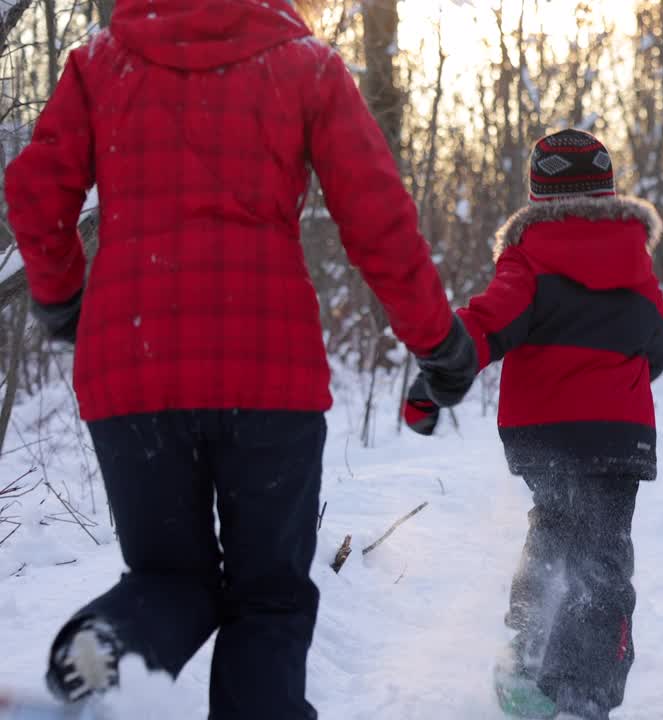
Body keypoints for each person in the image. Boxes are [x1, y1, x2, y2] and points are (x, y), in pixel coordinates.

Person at [4, 0, 476, 716]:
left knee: (169, 579)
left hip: (131, 363)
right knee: (269, 596)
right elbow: (377, 217)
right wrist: (437, 341)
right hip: (268, 374)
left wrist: (65, 300)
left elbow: (37, 193)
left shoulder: (101, 62)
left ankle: (101, 654)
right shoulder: (306, 65)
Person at [408, 129, 663, 720]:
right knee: (604, 554)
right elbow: (661, 343)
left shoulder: (528, 258)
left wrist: (441, 370)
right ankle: (584, 693)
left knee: (552, 530)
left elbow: (487, 322)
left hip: (544, 435)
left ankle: (528, 661)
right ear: (607, 192)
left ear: (538, 194)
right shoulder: (634, 260)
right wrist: (619, 380)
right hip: (617, 435)